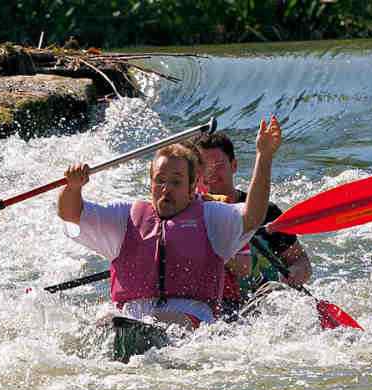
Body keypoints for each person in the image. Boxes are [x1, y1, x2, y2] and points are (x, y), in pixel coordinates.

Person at [58, 116, 283, 331]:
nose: (166, 188)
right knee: (103, 321)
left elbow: (253, 216)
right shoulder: (125, 216)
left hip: (192, 319)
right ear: (151, 183)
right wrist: (73, 187)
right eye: (160, 180)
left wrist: (264, 157)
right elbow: (70, 214)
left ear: (192, 186)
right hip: (128, 318)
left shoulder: (212, 216)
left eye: (176, 182)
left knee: (162, 320)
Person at [194, 129, 313, 318]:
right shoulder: (187, 215)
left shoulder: (265, 212)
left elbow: (301, 261)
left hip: (262, 304)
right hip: (215, 308)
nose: (210, 174)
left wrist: (292, 275)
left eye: (218, 165)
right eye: (204, 168)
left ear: (233, 166)